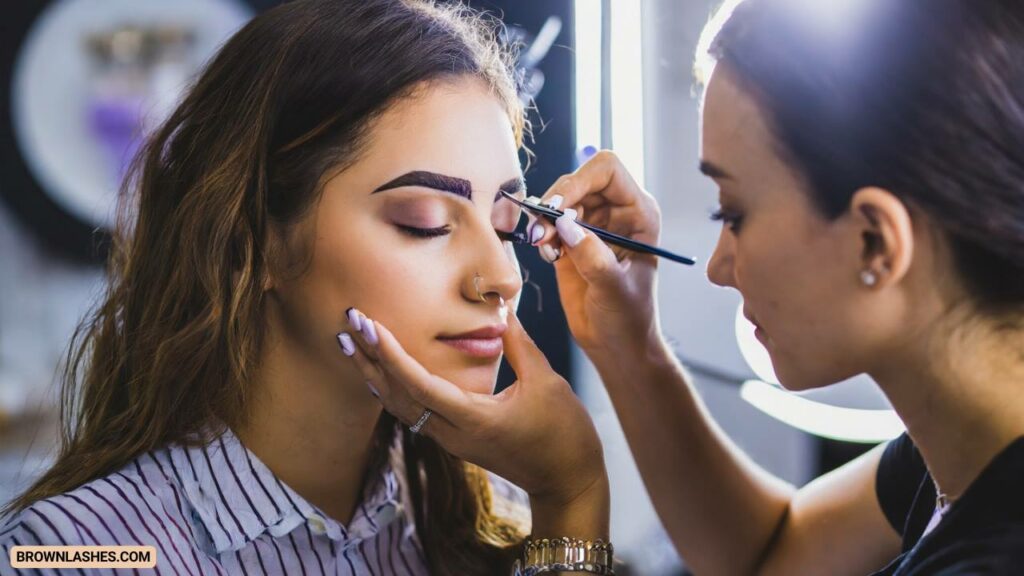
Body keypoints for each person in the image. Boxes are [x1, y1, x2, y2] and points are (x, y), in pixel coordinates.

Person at [347, 0, 1024, 574]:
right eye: (427, 222)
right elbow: (768, 552)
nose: (720, 265)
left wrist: (569, 494)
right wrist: (628, 340)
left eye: (733, 213)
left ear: (876, 241)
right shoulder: (961, 449)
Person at [0, 1, 611, 574]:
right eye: (422, 223)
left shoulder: (512, 516)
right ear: (258, 240)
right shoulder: (71, 552)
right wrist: (571, 496)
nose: (502, 278)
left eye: (506, 227)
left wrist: (568, 502)